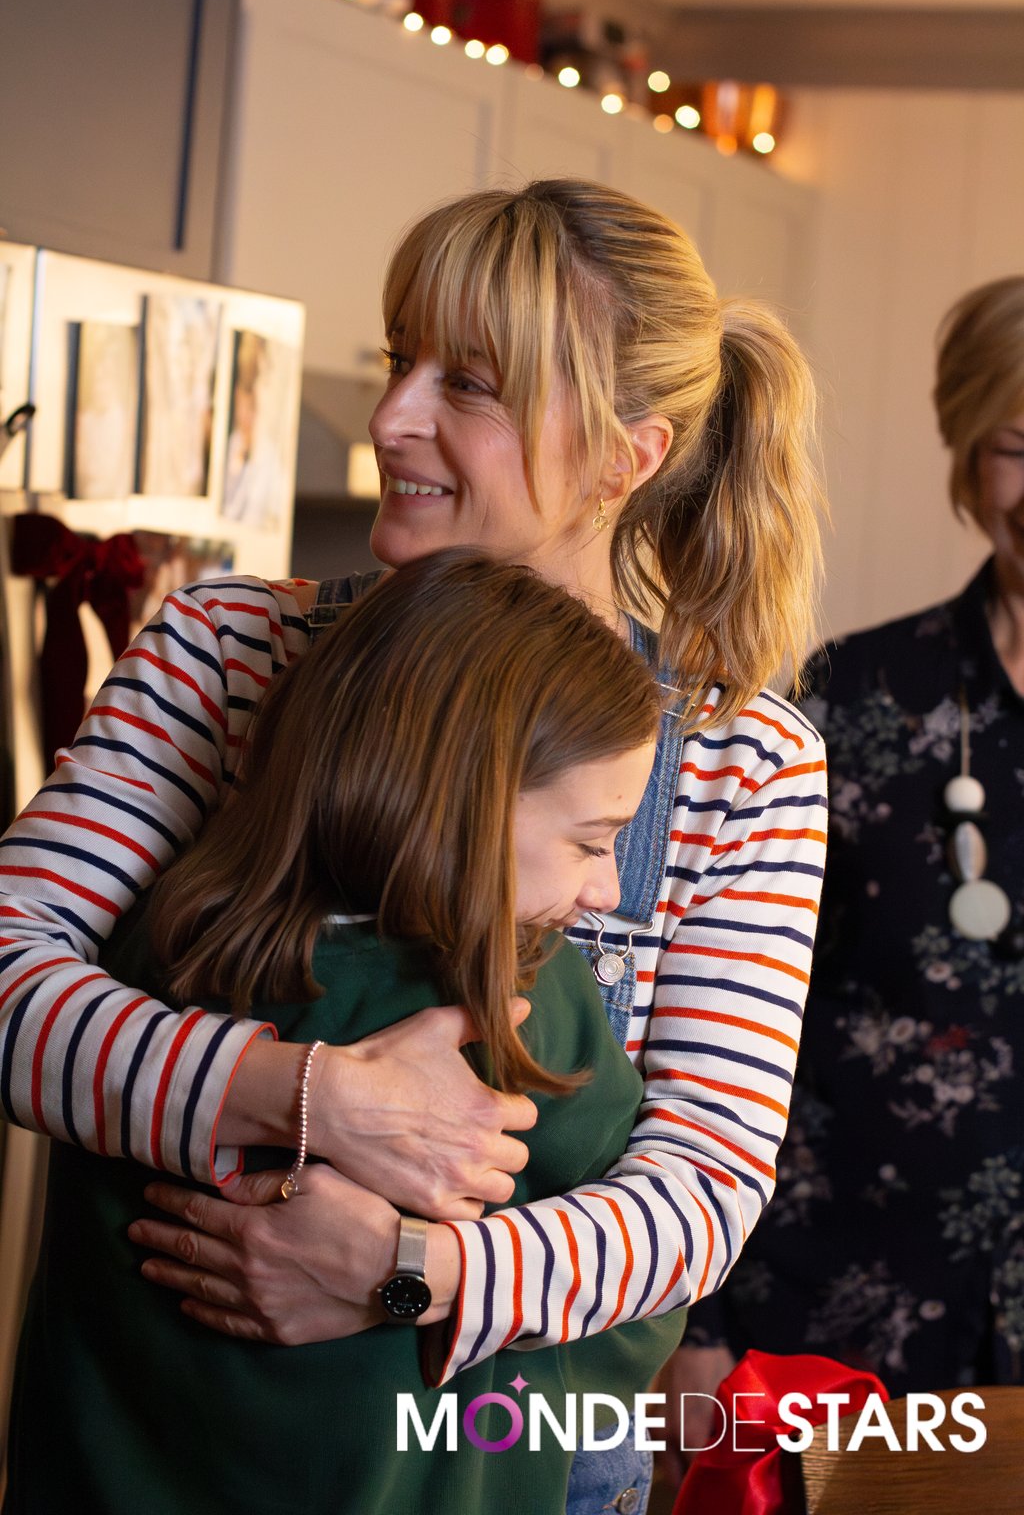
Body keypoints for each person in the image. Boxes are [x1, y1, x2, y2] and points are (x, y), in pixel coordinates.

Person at [0, 179, 827, 1512]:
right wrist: (300, 1095)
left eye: (474, 385)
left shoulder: (745, 765)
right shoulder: (224, 653)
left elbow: (702, 1191)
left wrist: (402, 1272)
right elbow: (8, 988)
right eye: (402, 361)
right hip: (158, 1454)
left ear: (628, 455)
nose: (390, 419)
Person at [5, 549, 690, 1514]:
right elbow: (646, 1297)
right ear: (464, 803)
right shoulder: (531, 1006)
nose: (608, 890)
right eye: (589, 841)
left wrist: (404, 1279)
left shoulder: (142, 954)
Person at [671, 274, 1024, 1438]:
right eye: (1016, 444)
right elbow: (734, 1015)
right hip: (839, 1313)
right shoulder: (855, 697)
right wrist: (700, 1322)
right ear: (968, 456)